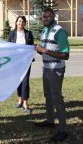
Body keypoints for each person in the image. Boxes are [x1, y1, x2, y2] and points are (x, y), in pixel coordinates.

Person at [35, 8, 69, 143]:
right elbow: (45, 52)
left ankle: (63, 130)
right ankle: (50, 120)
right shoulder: (44, 31)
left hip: (56, 70)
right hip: (46, 68)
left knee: (56, 98)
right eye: (43, 16)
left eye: (48, 16)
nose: (45, 18)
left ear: (53, 17)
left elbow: (65, 55)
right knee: (48, 96)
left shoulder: (59, 31)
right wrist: (38, 50)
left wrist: (44, 50)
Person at [8, 16, 34, 113]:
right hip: (15, 62)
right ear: (16, 22)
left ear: (25, 23)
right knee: (18, 81)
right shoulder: (12, 33)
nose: (21, 23)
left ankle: (25, 103)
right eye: (19, 21)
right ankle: (20, 99)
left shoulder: (28, 33)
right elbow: (8, 47)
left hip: (26, 61)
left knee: (25, 81)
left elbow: (31, 46)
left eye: (23, 21)